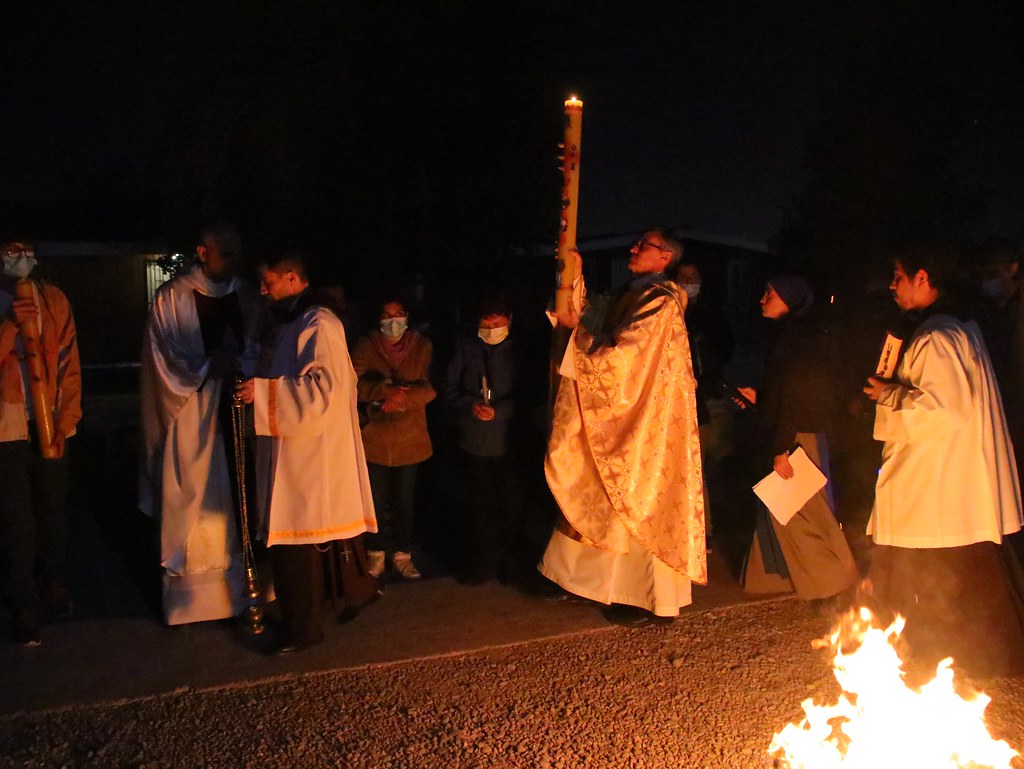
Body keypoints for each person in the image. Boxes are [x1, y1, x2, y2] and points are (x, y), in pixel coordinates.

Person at [863, 244, 1024, 676]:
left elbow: (944, 410)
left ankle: (947, 658)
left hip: (936, 479)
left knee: (937, 571)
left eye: (898, 275)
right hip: (950, 476)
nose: (892, 285)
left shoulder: (936, 336)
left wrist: (888, 394)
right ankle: (959, 658)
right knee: (958, 572)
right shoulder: (958, 328)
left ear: (922, 277)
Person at [540, 229, 706, 625]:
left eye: (642, 245)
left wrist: (577, 338)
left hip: (648, 420)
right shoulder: (634, 293)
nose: (633, 249)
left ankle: (648, 596)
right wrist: (574, 280)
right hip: (629, 413)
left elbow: (623, 359)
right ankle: (590, 583)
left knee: (640, 497)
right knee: (608, 491)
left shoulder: (661, 302)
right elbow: (590, 317)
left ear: (664, 257)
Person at [235, 252, 376, 654]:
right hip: (290, 450)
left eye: (270, 281)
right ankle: (334, 605)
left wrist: (262, 393)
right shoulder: (290, 321)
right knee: (295, 543)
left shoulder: (319, 323)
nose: (263, 290)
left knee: (297, 544)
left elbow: (324, 390)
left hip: (310, 459)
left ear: (294, 278)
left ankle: (303, 629)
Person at [139, 222, 264, 625]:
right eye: (223, 252)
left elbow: (261, 346)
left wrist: (243, 364)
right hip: (192, 420)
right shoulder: (171, 298)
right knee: (199, 501)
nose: (231, 260)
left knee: (244, 496)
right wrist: (211, 366)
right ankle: (192, 602)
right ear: (202, 251)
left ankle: (248, 590)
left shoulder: (247, 296)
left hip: (240, 414)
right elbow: (163, 361)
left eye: (235, 253)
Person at [736, 275, 858, 602]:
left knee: (801, 514)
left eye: (770, 294)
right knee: (790, 510)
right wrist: (760, 399)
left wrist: (781, 449)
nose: (763, 299)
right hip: (798, 431)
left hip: (796, 436)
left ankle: (834, 584)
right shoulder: (794, 336)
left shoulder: (792, 337)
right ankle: (781, 579)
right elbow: (785, 391)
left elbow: (795, 393)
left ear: (789, 299)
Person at [0, 241, 81, 646]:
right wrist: (10, 325)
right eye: (11, 251)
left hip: (49, 422)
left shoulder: (52, 299)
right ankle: (23, 603)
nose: (19, 257)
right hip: (6, 427)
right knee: (16, 518)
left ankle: (51, 579)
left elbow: (68, 361)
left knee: (51, 507)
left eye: (25, 249)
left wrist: (66, 420)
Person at [352, 296, 435, 580]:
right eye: (388, 315)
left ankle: (402, 553)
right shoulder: (365, 346)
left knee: (404, 499)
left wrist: (400, 399)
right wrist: (381, 391)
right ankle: (375, 553)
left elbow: (429, 387)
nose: (394, 321)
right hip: (374, 437)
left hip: (410, 437)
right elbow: (351, 383)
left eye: (399, 314)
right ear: (378, 320)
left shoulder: (422, 346)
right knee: (375, 498)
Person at [444, 296, 523, 583]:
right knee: (479, 505)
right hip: (474, 440)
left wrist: (500, 411)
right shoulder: (467, 347)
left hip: (510, 440)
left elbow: (530, 395)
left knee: (511, 504)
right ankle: (483, 563)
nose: (491, 328)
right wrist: (469, 405)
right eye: (485, 323)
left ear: (509, 322)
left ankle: (511, 563)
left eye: (497, 323)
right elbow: (450, 387)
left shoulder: (520, 351)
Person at [674, 257, 735, 548]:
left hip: (711, 396)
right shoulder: (671, 310)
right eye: (683, 276)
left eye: (693, 275)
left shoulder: (710, 314)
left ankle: (713, 527)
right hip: (686, 398)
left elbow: (726, 347)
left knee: (713, 463)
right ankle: (703, 530)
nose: (689, 281)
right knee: (694, 466)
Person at [976, 239, 1024, 482]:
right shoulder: (985, 313)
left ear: (1013, 269)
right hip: (1002, 407)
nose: (989, 281)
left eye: (995, 273)